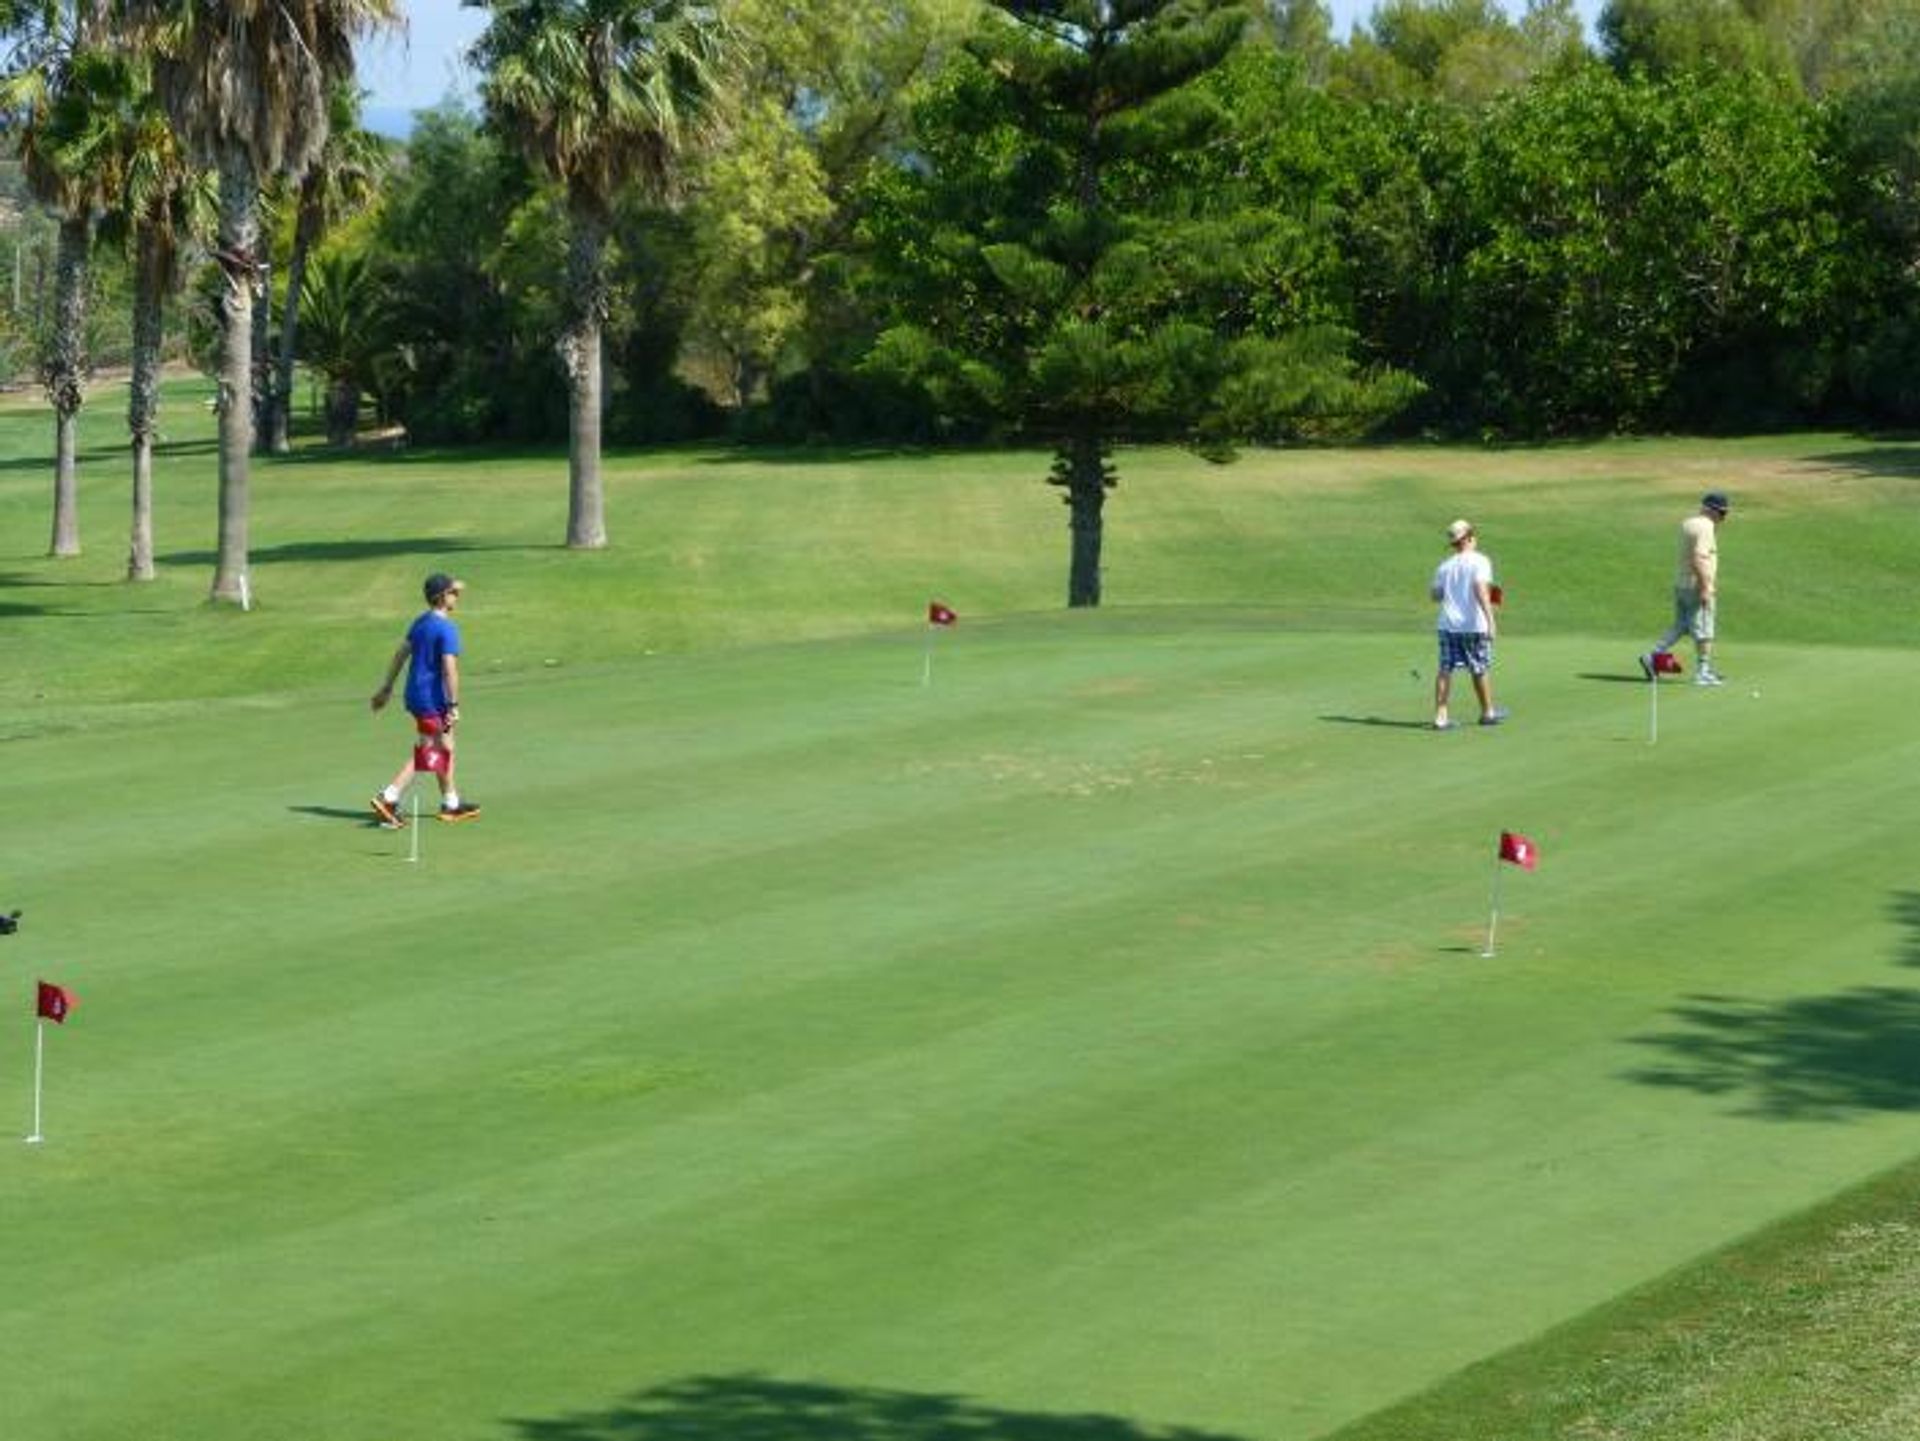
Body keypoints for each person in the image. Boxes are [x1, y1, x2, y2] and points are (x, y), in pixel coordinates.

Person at [369, 572, 481, 826]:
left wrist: (387, 688)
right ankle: (389, 796)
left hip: (416, 696)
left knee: (446, 746)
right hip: (433, 700)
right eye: (454, 592)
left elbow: (400, 654)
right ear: (442, 597)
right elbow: (449, 668)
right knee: (430, 750)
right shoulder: (447, 629)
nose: (458, 596)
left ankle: (451, 803)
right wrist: (453, 704)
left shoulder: (421, 622)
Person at [1641, 491, 1729, 687]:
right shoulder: (1706, 527)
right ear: (1711, 510)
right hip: (1697, 586)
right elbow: (1699, 557)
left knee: (1681, 625)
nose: (1724, 518)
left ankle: (1653, 655)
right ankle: (1702, 672)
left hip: (1681, 584)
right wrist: (1706, 587)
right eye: (1722, 513)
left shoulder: (1689, 523)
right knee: (1704, 630)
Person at [1430, 518, 1508, 730]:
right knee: (1479, 669)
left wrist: (1453, 588)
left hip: (1448, 625)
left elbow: (1435, 595)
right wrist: (1491, 620)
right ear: (1470, 538)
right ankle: (1487, 712)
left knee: (1445, 669)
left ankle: (1440, 717)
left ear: (1455, 543)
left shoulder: (1444, 566)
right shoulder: (1480, 561)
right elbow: (1481, 589)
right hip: (1473, 625)